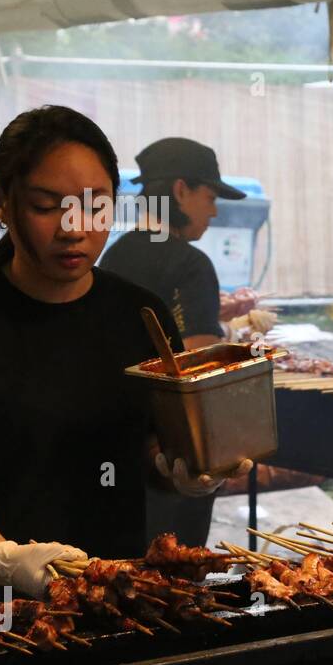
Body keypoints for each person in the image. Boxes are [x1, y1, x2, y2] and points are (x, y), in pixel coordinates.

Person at [0, 107, 250, 597]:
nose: (74, 228)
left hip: (111, 592)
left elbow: (153, 448)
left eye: (95, 206)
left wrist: (182, 470)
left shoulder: (142, 314)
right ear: (2, 204)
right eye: (45, 205)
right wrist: (3, 557)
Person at [99, 137, 247, 546]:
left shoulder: (113, 256)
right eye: (210, 196)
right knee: (174, 586)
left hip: (112, 448)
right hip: (172, 458)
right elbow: (198, 371)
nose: (214, 211)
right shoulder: (191, 263)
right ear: (181, 190)